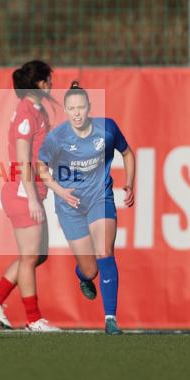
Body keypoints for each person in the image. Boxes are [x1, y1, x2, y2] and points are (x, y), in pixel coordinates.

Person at [37, 81, 135, 335]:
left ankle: (110, 319)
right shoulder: (57, 137)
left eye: (80, 107)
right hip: (69, 206)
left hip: (99, 198)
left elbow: (127, 153)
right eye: (71, 109)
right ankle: (83, 276)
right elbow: (40, 167)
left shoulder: (107, 128)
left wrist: (129, 183)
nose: (77, 113)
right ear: (66, 111)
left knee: (105, 252)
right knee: (90, 269)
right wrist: (60, 191)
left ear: (89, 107)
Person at [0, 61, 59, 331]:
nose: (51, 84)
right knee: (29, 257)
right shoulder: (27, 113)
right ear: (38, 83)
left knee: (37, 255)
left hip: (31, 190)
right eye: (47, 80)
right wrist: (32, 197)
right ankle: (33, 319)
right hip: (23, 191)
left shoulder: (37, 110)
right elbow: (24, 160)